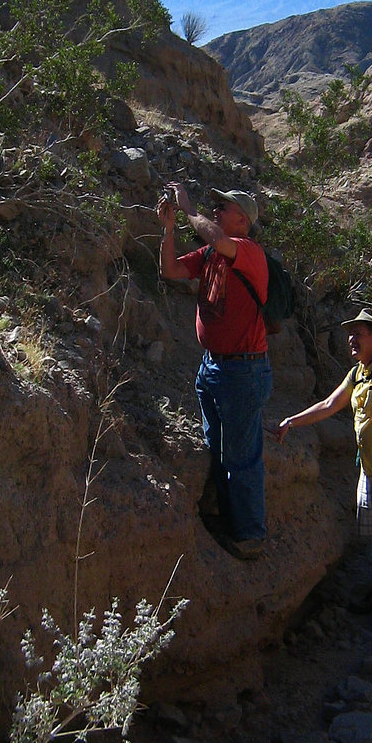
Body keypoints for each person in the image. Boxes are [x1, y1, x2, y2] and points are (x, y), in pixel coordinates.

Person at [273, 306, 372, 617]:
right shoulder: (358, 374)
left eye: (358, 333)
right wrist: (290, 422)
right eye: (351, 333)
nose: (351, 338)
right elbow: (329, 404)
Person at [158, 182, 272, 561]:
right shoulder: (211, 252)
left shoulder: (249, 252)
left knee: (241, 455)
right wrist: (170, 228)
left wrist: (188, 208)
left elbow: (216, 237)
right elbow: (171, 269)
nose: (218, 211)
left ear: (243, 219)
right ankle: (228, 518)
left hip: (243, 370)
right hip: (213, 366)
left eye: (224, 208)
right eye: (216, 207)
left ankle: (250, 535)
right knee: (219, 448)